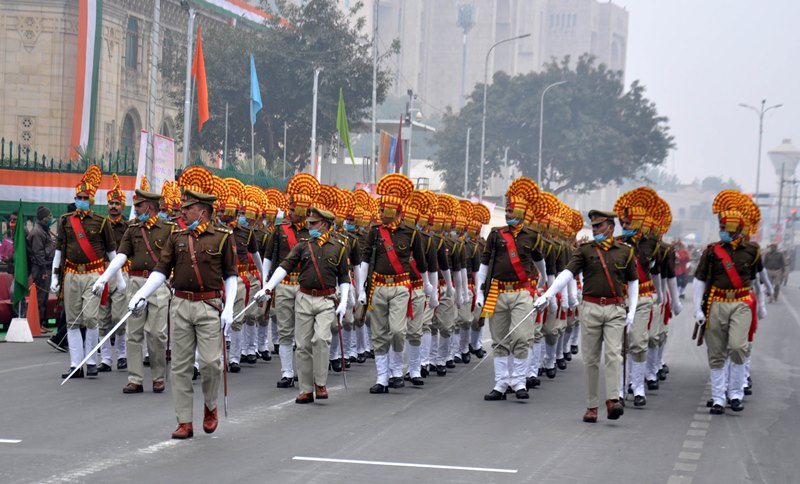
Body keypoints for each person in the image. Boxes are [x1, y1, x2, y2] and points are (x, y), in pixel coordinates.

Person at [128, 177, 238, 439]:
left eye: (187, 208)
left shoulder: (222, 238)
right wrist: (141, 295)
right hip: (180, 305)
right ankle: (184, 421)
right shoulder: (176, 237)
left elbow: (231, 275)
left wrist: (229, 307)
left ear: (202, 210)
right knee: (180, 366)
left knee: (211, 363)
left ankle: (210, 407)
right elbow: (161, 270)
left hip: (209, 305)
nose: (183, 211)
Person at [535, 210, 638, 422]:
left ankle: (612, 400)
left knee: (613, 355)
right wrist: (547, 294)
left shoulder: (625, 252)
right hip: (590, 307)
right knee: (590, 359)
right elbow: (567, 274)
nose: (595, 230)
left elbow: (633, 282)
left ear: (610, 226)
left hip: (615, 309)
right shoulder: (584, 250)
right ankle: (592, 406)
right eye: (593, 226)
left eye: (599, 225)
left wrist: (633, 311)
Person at [256, 206, 350, 403]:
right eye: (308, 223)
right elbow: (285, 266)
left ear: (325, 225)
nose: (309, 227)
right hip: (304, 298)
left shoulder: (339, 246)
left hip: (327, 299)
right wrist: (268, 287)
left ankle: (321, 383)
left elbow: (344, 277)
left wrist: (345, 300)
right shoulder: (302, 246)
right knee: (303, 345)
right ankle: (306, 389)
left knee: (321, 339)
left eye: (313, 223)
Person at [93, 180, 174, 394]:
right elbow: (120, 256)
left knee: (157, 334)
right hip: (136, 282)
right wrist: (105, 277)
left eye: (138, 205)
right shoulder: (133, 228)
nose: (135, 209)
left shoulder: (169, 229)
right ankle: (135, 378)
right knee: (133, 333)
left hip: (158, 285)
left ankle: (158, 376)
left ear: (150, 206)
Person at [357, 173, 429, 394]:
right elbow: (365, 260)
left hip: (401, 287)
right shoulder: (375, 232)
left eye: (384, 210)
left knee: (397, 331)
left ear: (395, 211)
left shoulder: (411, 232)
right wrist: (361, 288)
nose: (380, 213)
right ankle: (382, 378)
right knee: (379, 333)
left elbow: (422, 262)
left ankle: (397, 370)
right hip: (378, 286)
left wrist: (428, 286)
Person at [474, 177, 546, 401]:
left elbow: (539, 262)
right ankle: (501, 384)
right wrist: (479, 291)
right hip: (497, 291)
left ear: (522, 213)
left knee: (522, 337)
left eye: (512, 211)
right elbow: (484, 264)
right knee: (500, 339)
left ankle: (519, 382)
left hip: (521, 292)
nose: (508, 215)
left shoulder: (532, 235)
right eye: (507, 211)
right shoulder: (496, 234)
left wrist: (544, 282)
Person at [694, 190, 762, 415]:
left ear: (738, 230)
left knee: (737, 347)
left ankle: (735, 393)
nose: (722, 232)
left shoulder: (752, 251)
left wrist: (759, 304)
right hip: (716, 302)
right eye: (721, 228)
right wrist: (697, 310)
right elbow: (699, 280)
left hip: (742, 302)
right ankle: (717, 398)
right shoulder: (712, 251)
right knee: (716, 352)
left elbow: (754, 280)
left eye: (726, 229)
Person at [51, 165, 122, 379]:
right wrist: (55, 275)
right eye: (78, 196)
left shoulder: (100, 222)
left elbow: (112, 253)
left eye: (85, 197)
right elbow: (58, 250)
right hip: (71, 274)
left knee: (91, 318)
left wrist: (118, 278)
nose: (81, 199)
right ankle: (75, 365)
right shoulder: (65, 220)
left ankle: (91, 360)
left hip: (94, 276)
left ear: (91, 200)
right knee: (73, 321)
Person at [262, 173, 317, 389]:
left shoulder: (313, 231)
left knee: (304, 332)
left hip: (304, 285)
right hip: (284, 284)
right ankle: (287, 372)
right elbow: (269, 257)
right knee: (285, 330)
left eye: (294, 210)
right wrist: (267, 283)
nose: (290, 212)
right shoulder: (279, 230)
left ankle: (305, 371)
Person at [97, 174, 129, 372]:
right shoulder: (100, 225)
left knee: (119, 317)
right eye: (111, 203)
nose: (113, 206)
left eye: (117, 203)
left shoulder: (128, 227)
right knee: (103, 318)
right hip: (104, 274)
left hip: (122, 274)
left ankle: (122, 354)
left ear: (122, 206)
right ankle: (106, 359)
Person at [27, 206, 55, 333]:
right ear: (44, 218)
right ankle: (36, 324)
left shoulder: (44, 230)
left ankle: (40, 323)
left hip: (45, 267)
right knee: (40, 297)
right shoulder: (38, 232)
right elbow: (38, 254)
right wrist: (43, 271)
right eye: (49, 216)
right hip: (41, 269)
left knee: (43, 297)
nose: (51, 219)